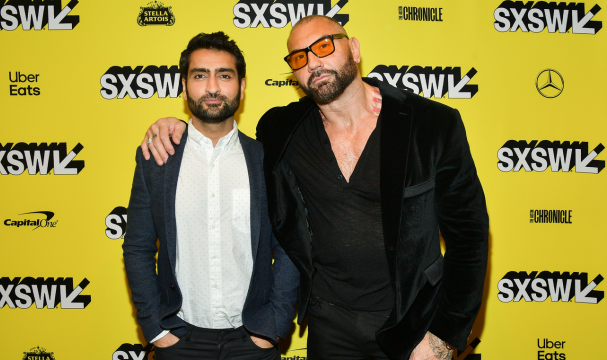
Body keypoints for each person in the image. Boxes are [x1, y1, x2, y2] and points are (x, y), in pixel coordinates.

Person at [140, 15, 489, 360]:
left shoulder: (432, 124)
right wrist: (172, 125)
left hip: (415, 324)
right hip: (329, 326)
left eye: (324, 45)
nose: (314, 62)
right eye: (299, 57)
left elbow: (469, 237)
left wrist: (442, 336)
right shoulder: (281, 129)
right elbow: (215, 131)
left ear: (353, 49)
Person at [122, 31, 299, 360]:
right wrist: (154, 329)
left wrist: (274, 323)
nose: (213, 87)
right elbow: (137, 247)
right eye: (200, 75)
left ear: (242, 87)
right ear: (184, 86)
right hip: (179, 340)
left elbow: (290, 248)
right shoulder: (157, 158)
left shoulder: (267, 160)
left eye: (225, 75)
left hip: (254, 341)